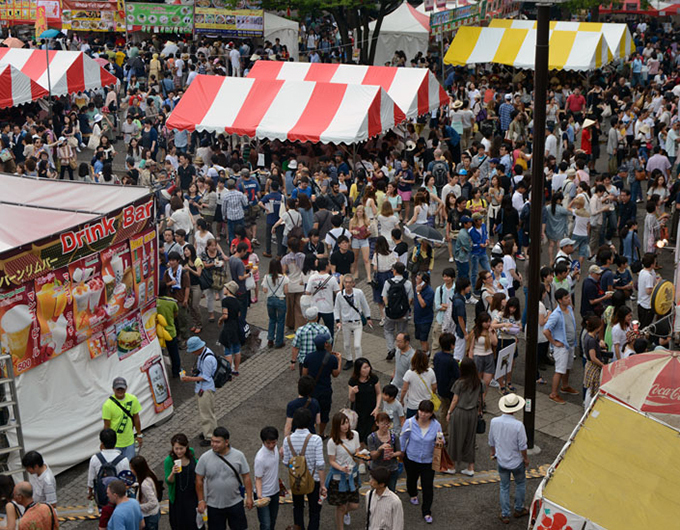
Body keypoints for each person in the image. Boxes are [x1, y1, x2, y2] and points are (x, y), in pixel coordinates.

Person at [196, 426, 253, 530]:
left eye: (217, 442)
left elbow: (246, 477)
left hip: (235, 502)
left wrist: (249, 497)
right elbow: (199, 479)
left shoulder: (239, 456)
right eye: (212, 441)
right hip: (213, 505)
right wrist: (201, 501)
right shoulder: (204, 458)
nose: (213, 444)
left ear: (226, 442)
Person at [488, 393, 530, 524]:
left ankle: (505, 514)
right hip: (516, 461)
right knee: (520, 483)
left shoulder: (494, 422)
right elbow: (523, 446)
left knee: (504, 486)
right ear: (515, 408)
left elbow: (491, 441)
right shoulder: (518, 425)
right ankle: (519, 509)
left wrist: (493, 453)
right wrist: (526, 459)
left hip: (501, 460)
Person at [283, 408, 327, 530]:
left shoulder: (287, 440)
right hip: (314, 479)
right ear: (310, 421)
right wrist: (323, 485)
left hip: (296, 480)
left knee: (297, 508)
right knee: (314, 511)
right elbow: (320, 464)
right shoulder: (316, 439)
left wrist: (294, 467)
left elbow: (287, 463)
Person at [399, 400, 442, 524]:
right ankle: (412, 493)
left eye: (426, 412)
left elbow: (440, 439)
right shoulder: (410, 423)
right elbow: (403, 438)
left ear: (431, 413)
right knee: (411, 480)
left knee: (428, 486)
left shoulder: (436, 425)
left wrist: (440, 442)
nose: (423, 414)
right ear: (418, 410)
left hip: (428, 461)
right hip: (411, 458)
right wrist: (401, 452)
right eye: (421, 411)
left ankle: (427, 511)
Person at [446, 357, 483, 476]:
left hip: (460, 412)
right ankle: (470, 467)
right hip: (472, 412)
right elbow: (481, 399)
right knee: (470, 439)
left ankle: (452, 466)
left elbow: (455, 400)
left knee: (455, 438)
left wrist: (449, 412)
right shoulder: (479, 382)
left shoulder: (460, 383)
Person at [302, 333, 342, 438]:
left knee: (310, 411)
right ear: (326, 344)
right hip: (325, 389)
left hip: (312, 390)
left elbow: (304, 374)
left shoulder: (309, 357)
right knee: (324, 412)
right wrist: (339, 359)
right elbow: (335, 374)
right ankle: (321, 433)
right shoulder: (331, 358)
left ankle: (310, 432)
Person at [543, 289, 579, 405]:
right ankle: (553, 394)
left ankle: (565, 386)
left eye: (569, 297)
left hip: (570, 344)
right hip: (561, 346)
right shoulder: (556, 315)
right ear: (559, 300)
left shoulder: (569, 309)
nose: (569, 299)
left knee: (567, 367)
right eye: (566, 298)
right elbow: (546, 330)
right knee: (559, 370)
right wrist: (554, 343)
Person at [326, 412, 361, 529]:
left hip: (352, 474)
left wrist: (363, 456)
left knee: (354, 505)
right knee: (340, 506)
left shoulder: (355, 435)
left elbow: (357, 452)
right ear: (337, 426)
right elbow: (331, 461)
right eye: (342, 424)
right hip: (338, 477)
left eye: (347, 422)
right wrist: (341, 468)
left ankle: (345, 512)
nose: (346, 426)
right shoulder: (332, 442)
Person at [180, 336, 217, 446]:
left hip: (206, 389)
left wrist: (189, 379)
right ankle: (209, 431)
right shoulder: (203, 354)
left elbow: (206, 377)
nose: (192, 353)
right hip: (201, 388)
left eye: (193, 351)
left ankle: (210, 436)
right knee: (206, 412)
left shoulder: (207, 358)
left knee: (206, 413)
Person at [334, 275, 372, 369]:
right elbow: (336, 308)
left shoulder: (359, 293)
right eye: (346, 282)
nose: (348, 284)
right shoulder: (340, 295)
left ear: (353, 283)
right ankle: (349, 360)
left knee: (357, 345)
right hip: (346, 323)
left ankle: (359, 363)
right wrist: (338, 321)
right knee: (346, 344)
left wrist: (368, 317)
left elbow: (365, 305)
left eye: (350, 282)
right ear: (343, 283)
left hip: (357, 322)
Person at [101, 378, 142, 462]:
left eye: (122, 388)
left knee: (130, 467)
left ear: (126, 388)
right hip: (115, 444)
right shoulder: (107, 405)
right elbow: (106, 426)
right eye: (117, 389)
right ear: (113, 389)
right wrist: (104, 442)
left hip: (130, 442)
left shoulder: (133, 399)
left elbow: (136, 418)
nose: (120, 391)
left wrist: (139, 435)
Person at [87, 429, 130, 507]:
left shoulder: (95, 458)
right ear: (115, 442)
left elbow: (91, 481)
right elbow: (127, 482)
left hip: (102, 498)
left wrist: (90, 494)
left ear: (102, 443)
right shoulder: (124, 460)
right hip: (119, 499)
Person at [164, 433, 199, 530]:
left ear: (186, 446)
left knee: (194, 523)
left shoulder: (191, 452)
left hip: (192, 495)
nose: (179, 451)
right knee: (180, 524)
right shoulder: (169, 460)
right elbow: (169, 481)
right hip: (178, 498)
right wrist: (173, 472)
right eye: (176, 448)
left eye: (181, 448)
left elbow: (196, 465)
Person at [382, 262, 413, 360]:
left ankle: (391, 349)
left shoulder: (388, 282)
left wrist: (388, 307)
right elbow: (410, 299)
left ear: (394, 271)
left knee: (388, 330)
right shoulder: (408, 283)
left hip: (390, 313)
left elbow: (384, 297)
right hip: (403, 313)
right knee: (402, 331)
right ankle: (400, 350)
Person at [348, 358, 381, 446]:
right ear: (358, 370)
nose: (367, 369)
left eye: (368, 367)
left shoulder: (373, 378)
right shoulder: (353, 381)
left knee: (370, 432)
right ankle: (362, 453)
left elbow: (378, 393)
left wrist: (377, 407)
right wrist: (352, 392)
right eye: (364, 368)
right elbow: (352, 400)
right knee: (359, 434)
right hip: (359, 411)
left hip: (371, 411)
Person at [366, 412, 402, 493]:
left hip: (391, 468)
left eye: (387, 424)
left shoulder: (394, 436)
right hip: (377, 469)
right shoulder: (372, 438)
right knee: (375, 492)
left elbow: (399, 452)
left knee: (391, 491)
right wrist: (380, 449)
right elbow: (373, 456)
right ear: (377, 423)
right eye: (383, 424)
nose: (386, 426)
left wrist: (393, 454)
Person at [306, 258, 340, 340]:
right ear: (327, 266)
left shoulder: (312, 277)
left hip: (315, 307)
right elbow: (338, 293)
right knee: (329, 330)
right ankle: (329, 346)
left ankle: (314, 343)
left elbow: (307, 292)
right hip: (328, 308)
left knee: (313, 329)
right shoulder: (331, 278)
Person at [433, 333, 460, 436]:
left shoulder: (437, 356)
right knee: (449, 411)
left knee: (443, 410)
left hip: (441, 388)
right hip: (450, 391)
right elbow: (457, 376)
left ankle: (443, 432)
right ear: (452, 345)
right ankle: (449, 432)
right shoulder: (452, 361)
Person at [254, 426, 280, 530]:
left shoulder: (276, 449)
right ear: (263, 442)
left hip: (275, 491)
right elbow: (258, 478)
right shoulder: (260, 458)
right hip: (264, 494)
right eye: (268, 443)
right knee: (266, 525)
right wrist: (260, 497)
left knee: (272, 521)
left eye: (274, 442)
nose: (271, 445)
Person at [468, 312, 498, 403]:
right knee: (477, 382)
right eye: (486, 322)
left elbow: (495, 343)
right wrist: (471, 359)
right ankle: (476, 399)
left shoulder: (491, 331)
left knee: (487, 382)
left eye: (489, 321)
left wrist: (491, 332)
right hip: (478, 357)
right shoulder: (475, 331)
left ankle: (482, 400)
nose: (488, 324)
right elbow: (471, 347)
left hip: (489, 356)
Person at [400, 350, 437, 419]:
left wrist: (401, 400)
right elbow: (434, 387)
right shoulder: (431, 372)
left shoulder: (409, 373)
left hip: (413, 405)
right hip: (426, 404)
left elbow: (404, 389)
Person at [261, 258, 289, 348]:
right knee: (281, 321)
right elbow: (286, 291)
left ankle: (270, 339)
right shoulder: (284, 278)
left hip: (270, 300)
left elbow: (264, 290)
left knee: (272, 320)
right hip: (280, 300)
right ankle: (279, 341)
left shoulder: (266, 277)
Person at [129, 456, 160, 530]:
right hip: (154, 513)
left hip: (149, 516)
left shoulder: (144, 484)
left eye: (132, 468)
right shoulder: (150, 473)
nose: (131, 471)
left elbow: (153, 502)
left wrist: (138, 507)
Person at [637, 253, 659, 330]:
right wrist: (657, 286)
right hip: (647, 305)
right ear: (652, 264)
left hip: (641, 302)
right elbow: (648, 291)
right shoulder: (648, 276)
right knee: (645, 327)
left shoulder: (643, 271)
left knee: (642, 324)